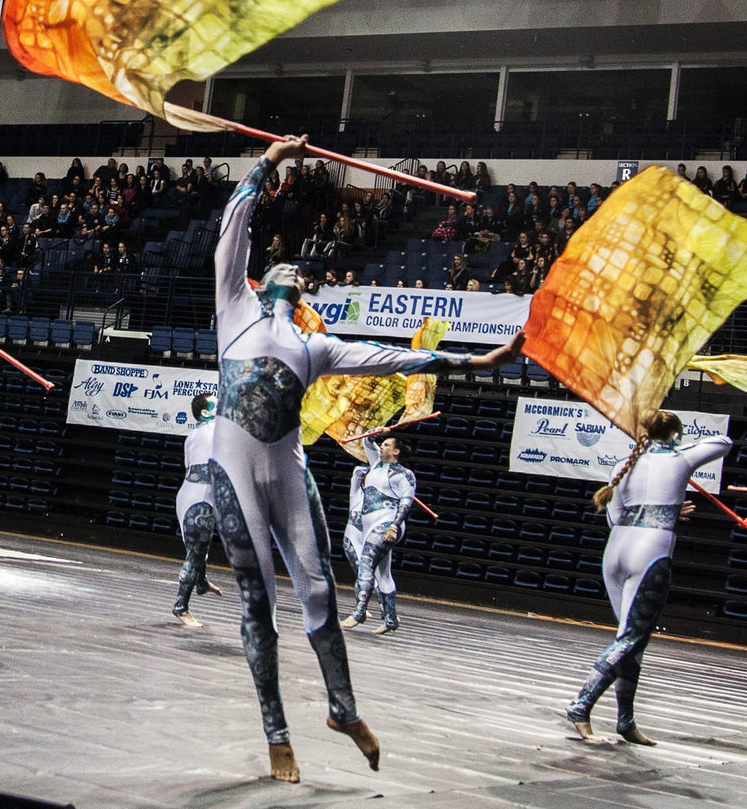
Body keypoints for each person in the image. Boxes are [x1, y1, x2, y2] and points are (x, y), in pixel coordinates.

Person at [209, 136, 523, 783]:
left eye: (301, 274)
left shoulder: (313, 345)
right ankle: (275, 732)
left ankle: (342, 707)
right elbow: (235, 223)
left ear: (300, 296)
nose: (293, 269)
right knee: (257, 603)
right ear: (261, 279)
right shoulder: (232, 304)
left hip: (287, 470)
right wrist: (271, 161)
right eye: (283, 266)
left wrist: (474, 360)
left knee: (321, 588)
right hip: (234, 472)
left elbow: (391, 356)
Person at [563, 411, 732, 744]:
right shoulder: (680, 457)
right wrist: (677, 446)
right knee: (631, 639)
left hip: (617, 549)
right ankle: (580, 704)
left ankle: (626, 721)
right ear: (674, 434)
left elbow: (615, 517)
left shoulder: (623, 465)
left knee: (630, 641)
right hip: (650, 550)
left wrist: (667, 506)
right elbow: (724, 443)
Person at [342, 435, 415, 635]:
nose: (381, 447)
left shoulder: (404, 475)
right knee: (383, 573)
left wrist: (394, 526)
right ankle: (390, 619)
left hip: (387, 524)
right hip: (370, 526)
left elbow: (406, 502)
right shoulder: (375, 465)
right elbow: (367, 441)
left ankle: (359, 612)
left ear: (396, 451)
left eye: (385, 445)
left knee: (366, 562)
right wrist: (378, 431)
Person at [172, 391, 224, 628]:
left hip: (191, 493)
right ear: (205, 412)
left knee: (199, 548)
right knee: (195, 554)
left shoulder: (193, 436)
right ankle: (181, 607)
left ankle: (201, 583)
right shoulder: (215, 430)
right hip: (200, 498)